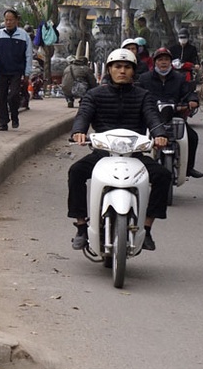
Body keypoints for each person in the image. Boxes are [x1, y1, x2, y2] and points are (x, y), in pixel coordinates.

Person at [68, 48, 171, 252]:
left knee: (163, 176)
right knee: (76, 172)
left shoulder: (144, 96)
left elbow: (153, 117)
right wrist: (78, 131)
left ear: (134, 71)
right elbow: (83, 115)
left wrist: (160, 134)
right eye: (117, 66)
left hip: (135, 155)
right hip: (102, 154)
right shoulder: (94, 95)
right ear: (109, 69)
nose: (122, 71)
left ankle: (147, 228)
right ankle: (81, 227)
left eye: (127, 67)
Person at [137, 47, 203, 178]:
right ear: (155, 62)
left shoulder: (180, 78)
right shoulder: (144, 79)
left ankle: (188, 168)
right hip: (151, 117)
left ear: (170, 62)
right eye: (160, 59)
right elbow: (137, 93)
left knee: (192, 137)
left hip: (175, 116)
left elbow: (189, 93)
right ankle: (137, 166)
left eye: (166, 59)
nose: (163, 62)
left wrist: (192, 100)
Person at [0, 9, 33, 131]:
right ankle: (3, 122)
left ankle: (15, 115)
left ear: (16, 21)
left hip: (16, 71)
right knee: (1, 97)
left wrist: (27, 73)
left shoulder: (24, 36)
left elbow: (28, 56)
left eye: (11, 20)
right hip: (1, 70)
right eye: (6, 20)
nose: (8, 22)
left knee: (13, 95)